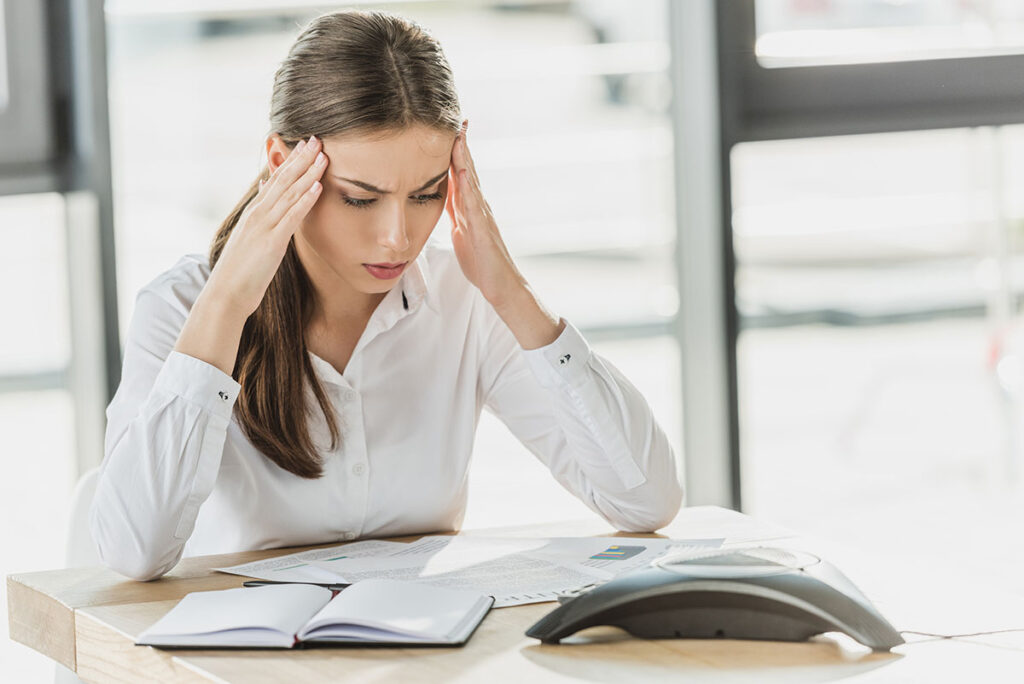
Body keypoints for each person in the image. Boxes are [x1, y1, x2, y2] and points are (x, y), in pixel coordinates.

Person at [89, 9, 682, 582]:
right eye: (360, 198)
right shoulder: (181, 308)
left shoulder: (466, 302)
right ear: (282, 162)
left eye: (425, 194)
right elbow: (132, 550)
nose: (398, 238)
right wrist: (224, 309)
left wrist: (512, 293)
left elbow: (644, 503)